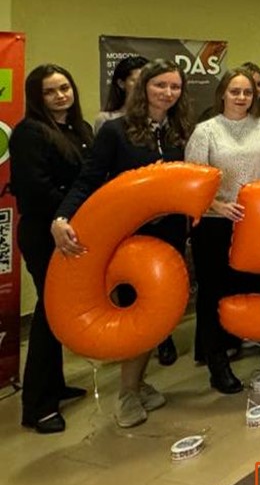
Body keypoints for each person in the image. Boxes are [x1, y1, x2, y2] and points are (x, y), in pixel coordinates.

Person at [53, 59, 192, 428]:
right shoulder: (116, 131)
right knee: (138, 315)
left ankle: (138, 382)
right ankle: (127, 394)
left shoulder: (179, 132)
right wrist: (62, 218)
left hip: (170, 235)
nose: (167, 93)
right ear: (143, 87)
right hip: (133, 240)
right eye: (160, 85)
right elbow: (88, 180)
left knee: (158, 314)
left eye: (174, 87)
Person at [185, 67, 260, 393]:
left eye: (247, 92)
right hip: (215, 223)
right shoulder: (206, 131)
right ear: (222, 94)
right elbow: (192, 180)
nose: (242, 97)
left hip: (256, 222)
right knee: (214, 293)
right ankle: (218, 366)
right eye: (235, 91)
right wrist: (218, 204)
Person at [10, 64, 92, 433]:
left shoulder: (79, 129)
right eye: (50, 91)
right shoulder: (30, 132)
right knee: (48, 313)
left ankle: (55, 385)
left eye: (64, 87)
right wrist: (72, 210)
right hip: (45, 233)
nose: (60, 96)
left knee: (58, 311)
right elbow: (35, 189)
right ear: (37, 97)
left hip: (73, 232)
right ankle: (37, 406)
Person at [94, 55, 148, 133]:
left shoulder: (157, 118)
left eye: (146, 81)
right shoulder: (106, 119)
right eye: (136, 81)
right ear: (121, 83)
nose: (142, 85)